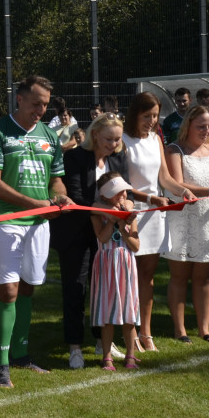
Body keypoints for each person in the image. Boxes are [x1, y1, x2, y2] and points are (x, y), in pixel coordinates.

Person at [0, 75, 70, 388]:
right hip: (7, 222)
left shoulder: (49, 135)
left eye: (45, 105)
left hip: (39, 224)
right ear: (19, 99)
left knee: (30, 287)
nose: (41, 110)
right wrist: (34, 202)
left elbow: (56, 178)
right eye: (36, 103)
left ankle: (20, 354)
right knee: (8, 291)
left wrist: (60, 195)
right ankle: (1, 363)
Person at [54, 112, 134, 368]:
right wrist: (110, 212)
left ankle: (104, 342)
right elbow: (76, 197)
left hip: (108, 237)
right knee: (76, 289)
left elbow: (125, 191)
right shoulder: (76, 157)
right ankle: (75, 346)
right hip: (77, 233)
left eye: (117, 139)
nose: (113, 144)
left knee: (106, 290)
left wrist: (129, 203)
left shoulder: (118, 158)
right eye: (108, 139)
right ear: (95, 134)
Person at [121, 92, 197, 352]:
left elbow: (164, 178)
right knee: (128, 276)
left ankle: (146, 332)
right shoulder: (122, 139)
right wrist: (151, 199)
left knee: (148, 276)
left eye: (155, 116)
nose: (152, 121)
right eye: (147, 116)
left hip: (155, 215)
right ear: (135, 114)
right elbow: (121, 185)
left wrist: (182, 191)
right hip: (131, 213)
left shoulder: (155, 139)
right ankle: (127, 331)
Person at [163, 105, 209, 344]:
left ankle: (204, 329)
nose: (206, 130)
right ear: (188, 126)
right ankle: (180, 330)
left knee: (203, 276)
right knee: (179, 275)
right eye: (201, 126)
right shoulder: (175, 150)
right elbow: (177, 183)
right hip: (183, 217)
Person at [89, 172, 142, 371]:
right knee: (107, 312)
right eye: (117, 193)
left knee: (129, 312)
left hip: (126, 263)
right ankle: (107, 356)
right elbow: (102, 239)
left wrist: (124, 224)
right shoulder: (97, 215)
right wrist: (112, 220)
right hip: (106, 263)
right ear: (104, 197)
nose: (122, 196)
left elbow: (135, 246)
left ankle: (130, 355)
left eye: (124, 192)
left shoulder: (131, 215)